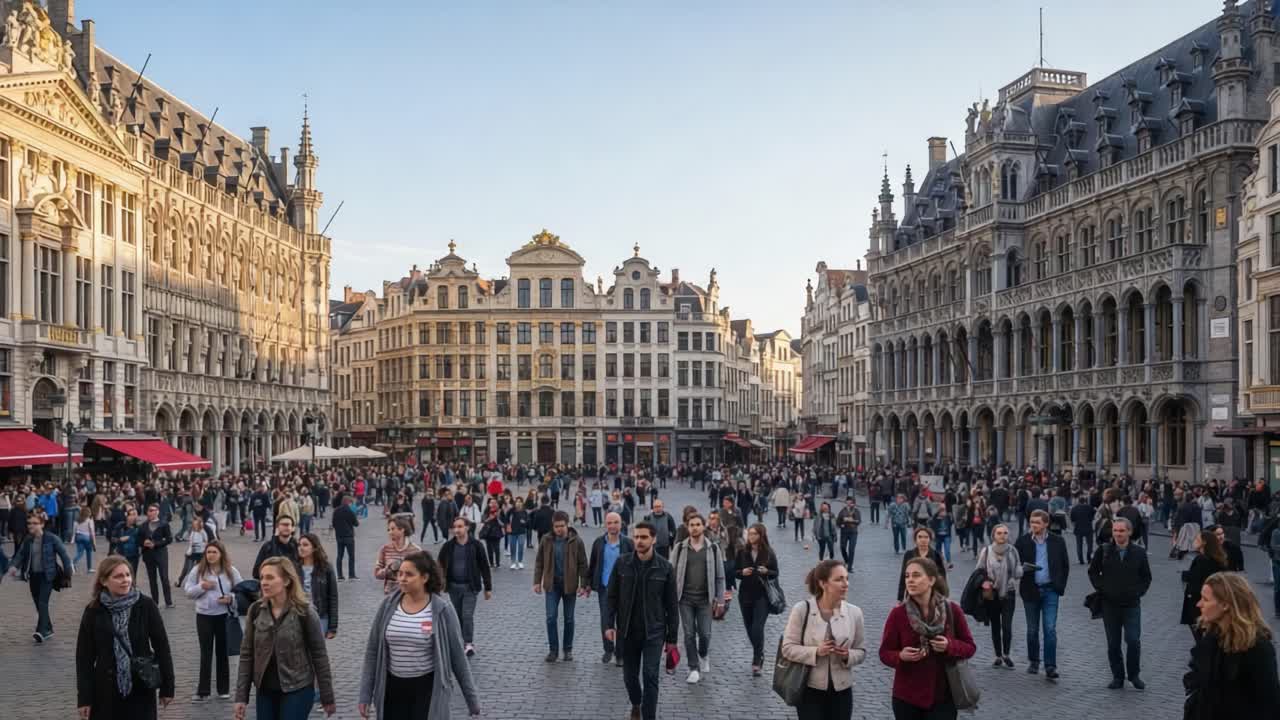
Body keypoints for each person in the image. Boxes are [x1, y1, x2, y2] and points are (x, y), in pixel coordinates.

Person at [355, 550, 480, 720]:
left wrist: (472, 701)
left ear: (425, 578)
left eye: (409, 574)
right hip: (392, 688)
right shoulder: (387, 605)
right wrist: (365, 695)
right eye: (400, 574)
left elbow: (458, 657)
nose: (402, 579)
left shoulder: (442, 609)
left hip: (427, 690)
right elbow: (372, 652)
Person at [233, 557, 336, 720]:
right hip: (265, 690)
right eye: (262, 578)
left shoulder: (305, 612)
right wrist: (241, 697)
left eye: (270, 577)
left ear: (287, 580)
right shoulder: (256, 611)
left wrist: (327, 696)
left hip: (298, 688)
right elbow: (247, 655)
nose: (264, 583)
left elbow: (319, 655)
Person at [75, 556, 176, 720]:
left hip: (140, 687)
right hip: (105, 691)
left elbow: (162, 647)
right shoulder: (94, 610)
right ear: (104, 581)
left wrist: (168, 687)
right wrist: (84, 698)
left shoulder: (146, 605)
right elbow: (84, 658)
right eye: (118, 576)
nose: (125, 580)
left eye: (128, 575)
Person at [879, 557, 976, 720]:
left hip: (943, 696)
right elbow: (885, 653)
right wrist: (900, 656)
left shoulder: (953, 610)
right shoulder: (898, 614)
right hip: (907, 697)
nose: (910, 580)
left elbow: (970, 647)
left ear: (931, 580)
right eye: (907, 576)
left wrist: (949, 646)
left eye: (916, 575)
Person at [604, 521, 679, 720]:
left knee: (650, 676)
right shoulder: (622, 563)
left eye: (644, 537)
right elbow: (611, 596)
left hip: (654, 632)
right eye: (636, 537)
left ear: (653, 539)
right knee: (629, 677)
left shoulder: (665, 568)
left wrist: (672, 639)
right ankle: (636, 703)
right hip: (627, 630)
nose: (639, 541)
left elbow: (672, 606)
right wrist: (608, 624)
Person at [1182, 572, 1280, 719]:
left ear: (1226, 604)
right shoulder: (1211, 637)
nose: (1199, 604)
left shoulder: (1258, 647)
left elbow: (1268, 702)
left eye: (1205, 599)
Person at [781, 560, 867, 720]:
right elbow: (787, 648)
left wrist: (848, 655)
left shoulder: (854, 613)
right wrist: (816, 651)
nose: (845, 584)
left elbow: (861, 651)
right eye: (839, 579)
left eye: (846, 578)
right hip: (809, 688)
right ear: (823, 583)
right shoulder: (802, 609)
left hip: (842, 690)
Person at [1088, 516, 1152, 690]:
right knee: (1113, 643)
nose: (1118, 534)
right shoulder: (1105, 550)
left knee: (1133, 640)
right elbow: (1093, 572)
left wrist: (1138, 591)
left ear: (1129, 532)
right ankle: (1118, 676)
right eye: (1115, 530)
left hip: (1131, 604)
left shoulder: (1139, 552)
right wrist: (1102, 587)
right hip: (1110, 604)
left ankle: (1134, 675)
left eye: (1122, 530)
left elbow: (1146, 577)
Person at [671, 512, 728, 684]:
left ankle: (703, 654)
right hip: (685, 599)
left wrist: (720, 600)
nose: (694, 528)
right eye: (691, 525)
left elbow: (720, 576)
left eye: (697, 524)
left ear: (703, 526)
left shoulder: (713, 548)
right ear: (687, 528)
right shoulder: (680, 548)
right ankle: (693, 667)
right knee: (688, 634)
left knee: (705, 634)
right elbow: (671, 573)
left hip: (705, 599)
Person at [183, 540, 243, 701]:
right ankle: (203, 691)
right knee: (205, 653)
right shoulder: (198, 570)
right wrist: (201, 587)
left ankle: (223, 689)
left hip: (224, 616)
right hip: (204, 616)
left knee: (222, 652)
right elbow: (188, 592)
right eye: (208, 552)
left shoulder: (231, 571)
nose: (210, 555)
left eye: (214, 552)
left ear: (221, 554)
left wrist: (230, 598)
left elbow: (242, 592)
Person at [1013, 508, 1069, 679]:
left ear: (1046, 524)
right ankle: (1034, 661)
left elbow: (1064, 565)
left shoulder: (1058, 541)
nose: (1033, 525)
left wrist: (1059, 585)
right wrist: (1022, 569)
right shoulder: (1023, 541)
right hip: (1031, 589)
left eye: (1037, 522)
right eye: (1031, 522)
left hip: (1051, 589)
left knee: (1050, 629)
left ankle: (1050, 665)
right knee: (1032, 629)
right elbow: (1014, 564)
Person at [533, 510, 589, 662]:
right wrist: (537, 581)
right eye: (556, 526)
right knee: (551, 618)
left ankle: (568, 649)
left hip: (569, 585)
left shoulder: (576, 541)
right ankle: (553, 650)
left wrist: (583, 584)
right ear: (553, 525)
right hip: (552, 585)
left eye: (562, 526)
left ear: (567, 524)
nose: (559, 529)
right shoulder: (546, 539)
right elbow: (539, 562)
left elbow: (583, 564)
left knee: (569, 619)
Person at [9, 512, 72, 643]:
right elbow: (20, 554)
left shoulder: (52, 538)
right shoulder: (28, 540)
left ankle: (41, 631)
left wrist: (68, 570)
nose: (31, 525)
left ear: (42, 524)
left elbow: (64, 554)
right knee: (38, 603)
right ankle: (48, 628)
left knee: (43, 602)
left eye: (34, 523)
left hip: (48, 575)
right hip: (33, 576)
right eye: (29, 523)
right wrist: (14, 566)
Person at [438, 516, 493, 657]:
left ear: (467, 527)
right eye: (455, 527)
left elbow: (484, 566)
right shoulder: (448, 546)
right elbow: (439, 565)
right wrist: (438, 583)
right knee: (457, 616)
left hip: (470, 587)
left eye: (460, 526)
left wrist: (488, 587)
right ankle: (460, 642)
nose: (456, 530)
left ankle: (468, 643)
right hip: (453, 587)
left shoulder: (476, 545)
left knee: (467, 615)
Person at [588, 510, 634, 665]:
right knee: (606, 620)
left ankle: (620, 654)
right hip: (605, 587)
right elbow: (593, 564)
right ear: (605, 525)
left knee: (622, 621)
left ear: (621, 524)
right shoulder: (599, 543)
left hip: (624, 588)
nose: (613, 526)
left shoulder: (628, 543)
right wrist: (589, 584)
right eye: (609, 523)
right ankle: (608, 649)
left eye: (616, 522)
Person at [734, 523, 779, 676]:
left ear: (761, 535)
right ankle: (759, 652)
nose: (751, 537)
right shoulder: (742, 552)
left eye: (754, 534)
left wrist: (767, 571)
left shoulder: (768, 553)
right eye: (749, 534)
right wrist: (742, 572)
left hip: (762, 596)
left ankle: (756, 659)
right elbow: (734, 572)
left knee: (757, 628)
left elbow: (775, 573)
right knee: (749, 628)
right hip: (745, 595)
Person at [976, 524, 1022, 668]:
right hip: (992, 593)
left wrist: (1020, 571)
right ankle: (997, 655)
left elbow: (1017, 569)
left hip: (1009, 592)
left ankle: (1006, 654)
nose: (1002, 535)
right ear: (993, 535)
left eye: (1005, 533)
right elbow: (979, 571)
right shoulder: (986, 551)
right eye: (999, 533)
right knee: (995, 626)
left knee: (1007, 625)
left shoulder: (1013, 551)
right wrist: (984, 582)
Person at [1180, 529, 1229, 638]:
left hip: (1198, 598)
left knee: (1198, 628)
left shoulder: (1201, 559)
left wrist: (1186, 575)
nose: (1194, 541)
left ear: (1204, 542)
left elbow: (1196, 579)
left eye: (1197, 539)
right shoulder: (1218, 559)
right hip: (1213, 598)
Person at [298, 533, 339, 638]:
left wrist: (332, 627)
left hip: (320, 616)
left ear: (314, 547)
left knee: (318, 651)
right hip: (299, 617)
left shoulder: (325, 568)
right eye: (299, 545)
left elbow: (333, 597)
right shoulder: (294, 567)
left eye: (305, 545)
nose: (301, 548)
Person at [136, 504, 174, 609]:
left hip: (161, 554)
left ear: (157, 511)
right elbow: (138, 540)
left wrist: (156, 544)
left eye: (153, 510)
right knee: (152, 579)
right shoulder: (143, 526)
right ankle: (155, 602)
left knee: (164, 578)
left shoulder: (163, 524)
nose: (151, 512)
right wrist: (143, 542)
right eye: (149, 510)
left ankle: (168, 601)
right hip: (148, 555)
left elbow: (169, 539)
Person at [896, 527, 946, 603]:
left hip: (931, 594)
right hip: (913, 593)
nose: (923, 540)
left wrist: (943, 594)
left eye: (926, 537)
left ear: (930, 539)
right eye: (920, 537)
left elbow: (942, 577)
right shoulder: (909, 555)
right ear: (915, 540)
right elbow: (903, 575)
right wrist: (900, 598)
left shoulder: (936, 555)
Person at [374, 517, 421, 594]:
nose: (390, 532)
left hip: (410, 594)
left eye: (393, 529)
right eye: (388, 530)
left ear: (402, 529)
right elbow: (377, 574)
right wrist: (389, 568)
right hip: (391, 595)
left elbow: (421, 574)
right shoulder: (385, 549)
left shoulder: (416, 550)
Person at [252, 515, 299, 580]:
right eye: (283, 525)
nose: (286, 527)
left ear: (293, 528)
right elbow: (256, 572)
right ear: (277, 527)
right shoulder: (268, 546)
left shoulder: (298, 546)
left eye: (288, 525)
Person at [331, 495, 359, 581]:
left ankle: (340, 576)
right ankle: (351, 575)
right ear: (348, 502)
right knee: (351, 556)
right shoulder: (349, 511)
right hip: (349, 536)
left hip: (339, 536)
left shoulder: (336, 511)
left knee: (339, 556)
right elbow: (356, 524)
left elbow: (333, 523)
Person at [1069, 495, 1096, 565]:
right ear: (1085, 501)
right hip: (1088, 527)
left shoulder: (1074, 508)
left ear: (1078, 501)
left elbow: (1072, 519)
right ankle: (1089, 557)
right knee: (1090, 544)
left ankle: (1081, 560)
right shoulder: (1090, 507)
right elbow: (1093, 516)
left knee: (1079, 545)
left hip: (1078, 528)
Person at [836, 496, 860, 571]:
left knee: (851, 549)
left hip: (853, 532)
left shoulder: (856, 511)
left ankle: (850, 567)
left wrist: (851, 520)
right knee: (842, 547)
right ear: (846, 503)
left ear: (853, 503)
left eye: (851, 503)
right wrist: (841, 525)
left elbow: (858, 521)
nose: (849, 504)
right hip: (844, 532)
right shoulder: (843, 511)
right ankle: (847, 560)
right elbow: (838, 521)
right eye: (848, 502)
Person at [73, 506, 96, 574]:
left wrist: (73, 539)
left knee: (80, 553)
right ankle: (89, 568)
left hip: (78, 536)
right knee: (89, 552)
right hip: (87, 537)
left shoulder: (77, 520)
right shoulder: (89, 520)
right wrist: (94, 543)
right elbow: (92, 532)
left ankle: (73, 562)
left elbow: (74, 530)